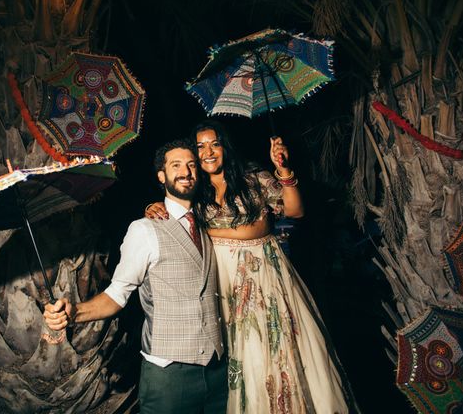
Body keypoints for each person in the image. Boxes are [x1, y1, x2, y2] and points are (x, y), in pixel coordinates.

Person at [145, 120, 354, 414]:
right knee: (235, 352)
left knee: (268, 348)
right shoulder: (196, 188)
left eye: (214, 143)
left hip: (261, 276)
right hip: (221, 279)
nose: (207, 152)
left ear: (224, 147)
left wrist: (283, 170)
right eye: (200, 146)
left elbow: (294, 210)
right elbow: (177, 216)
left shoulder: (252, 176)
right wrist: (154, 207)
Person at [44, 138, 228, 414]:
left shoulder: (207, 223)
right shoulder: (144, 230)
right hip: (169, 376)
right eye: (176, 165)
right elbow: (116, 296)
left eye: (191, 165)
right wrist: (73, 314)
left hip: (217, 372)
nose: (186, 172)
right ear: (161, 175)